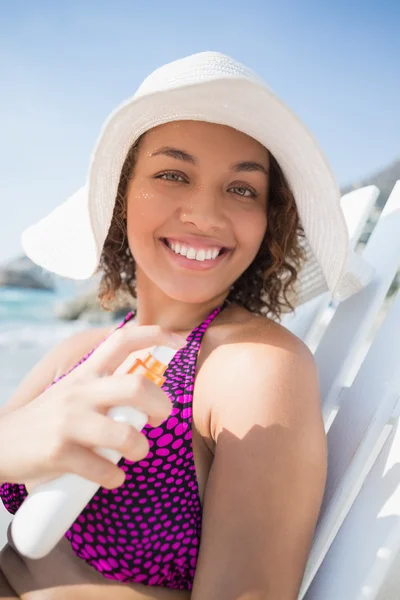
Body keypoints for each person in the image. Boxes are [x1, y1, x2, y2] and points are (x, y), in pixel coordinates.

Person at [0, 52, 372, 599]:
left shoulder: (249, 366)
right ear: (121, 199)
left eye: (243, 188)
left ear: (270, 221)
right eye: (173, 174)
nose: (205, 213)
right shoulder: (81, 351)